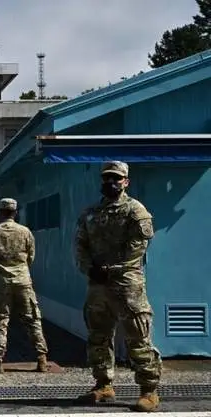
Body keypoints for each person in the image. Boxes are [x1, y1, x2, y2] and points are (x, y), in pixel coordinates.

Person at [74, 161, 162, 412]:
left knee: (138, 337)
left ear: (126, 182)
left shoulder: (135, 211)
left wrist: (110, 269)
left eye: (116, 178)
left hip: (126, 285)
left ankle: (149, 391)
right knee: (98, 337)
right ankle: (103, 385)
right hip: (97, 286)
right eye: (107, 178)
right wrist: (89, 268)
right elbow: (80, 245)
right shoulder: (90, 213)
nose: (111, 182)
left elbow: (136, 250)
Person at [0, 197, 49, 373]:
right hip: (23, 279)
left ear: (1, 212)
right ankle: (41, 359)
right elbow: (31, 257)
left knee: (0, 320)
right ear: (15, 212)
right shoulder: (25, 232)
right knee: (32, 319)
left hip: (1, 281)